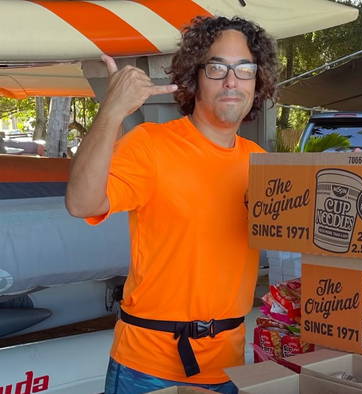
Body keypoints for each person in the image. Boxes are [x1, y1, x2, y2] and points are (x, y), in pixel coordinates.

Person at [65, 16, 278, 393]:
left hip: (227, 367)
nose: (232, 81)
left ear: (257, 81)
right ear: (194, 77)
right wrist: (113, 111)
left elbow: (308, 228)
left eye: (244, 69)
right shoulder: (150, 144)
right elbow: (82, 203)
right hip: (147, 368)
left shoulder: (260, 163)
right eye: (217, 68)